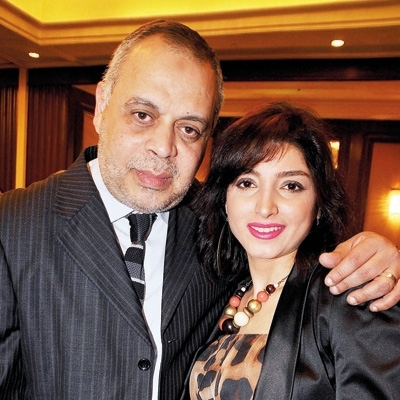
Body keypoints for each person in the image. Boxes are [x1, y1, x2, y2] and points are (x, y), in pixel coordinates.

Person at [0, 21, 399, 400]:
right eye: (143, 115)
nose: (164, 146)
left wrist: (381, 257)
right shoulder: (12, 224)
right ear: (102, 105)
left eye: (189, 128)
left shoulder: (213, 224)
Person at [189, 102, 400, 399]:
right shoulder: (224, 295)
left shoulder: (348, 295)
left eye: (290, 186)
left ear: (318, 205)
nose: (265, 207)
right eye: (247, 183)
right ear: (224, 200)